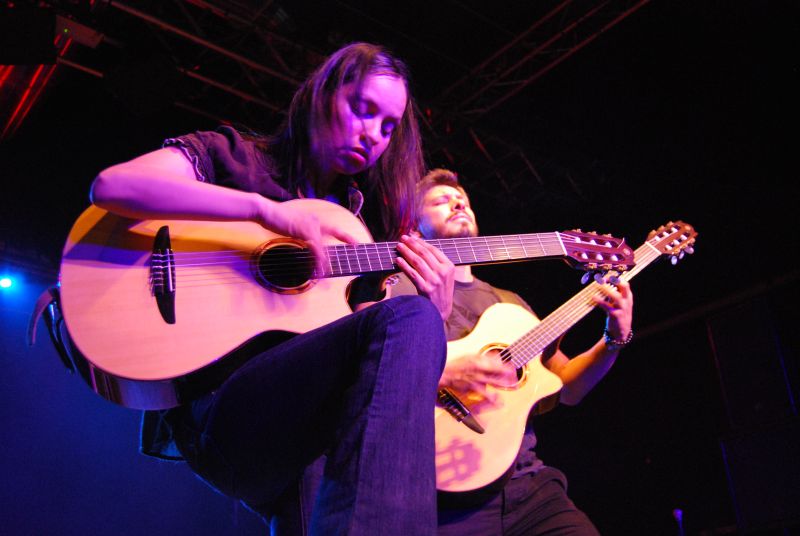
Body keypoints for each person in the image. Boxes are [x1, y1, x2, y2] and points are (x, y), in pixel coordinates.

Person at [89, 43, 456, 535]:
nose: (372, 134)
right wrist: (266, 211)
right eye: (362, 109)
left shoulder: (359, 229)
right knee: (408, 322)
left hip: (299, 431)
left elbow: (373, 376)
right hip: (220, 414)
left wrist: (437, 309)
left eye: (388, 126)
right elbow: (113, 186)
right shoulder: (237, 158)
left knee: (414, 320)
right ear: (323, 93)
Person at [413, 169, 634, 535]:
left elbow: (567, 388)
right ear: (413, 224)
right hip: (445, 487)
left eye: (463, 200)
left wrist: (613, 339)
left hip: (528, 484)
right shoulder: (400, 290)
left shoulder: (509, 304)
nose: (458, 203)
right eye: (441, 201)